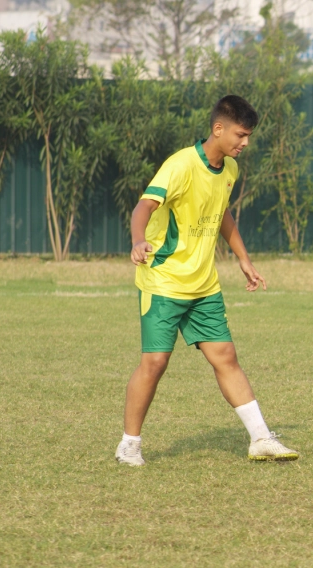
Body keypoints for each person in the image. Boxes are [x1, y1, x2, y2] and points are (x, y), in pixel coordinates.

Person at [115, 95, 298, 467]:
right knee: (155, 362)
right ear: (218, 129)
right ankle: (129, 445)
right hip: (164, 280)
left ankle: (261, 439)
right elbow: (143, 206)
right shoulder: (181, 165)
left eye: (248, 136)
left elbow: (221, 212)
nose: (245, 142)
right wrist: (137, 240)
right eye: (241, 135)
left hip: (203, 285)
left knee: (226, 357)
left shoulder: (229, 168)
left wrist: (243, 258)